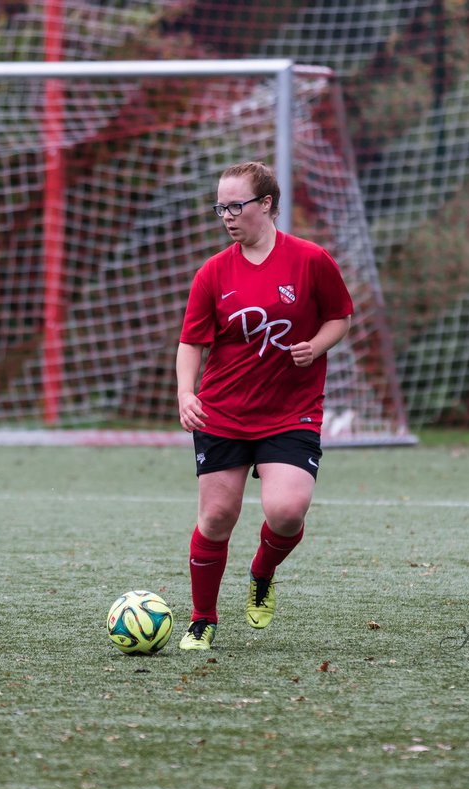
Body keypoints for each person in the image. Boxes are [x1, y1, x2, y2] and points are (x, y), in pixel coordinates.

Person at [175, 161, 354, 651]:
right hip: (224, 411)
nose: (227, 216)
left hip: (290, 410)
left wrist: (316, 346)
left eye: (236, 206)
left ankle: (261, 572)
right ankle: (203, 620)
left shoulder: (311, 260)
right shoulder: (213, 272)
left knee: (287, 511)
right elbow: (191, 342)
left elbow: (340, 316)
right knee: (216, 518)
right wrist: (186, 394)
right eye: (221, 207)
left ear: (267, 204)